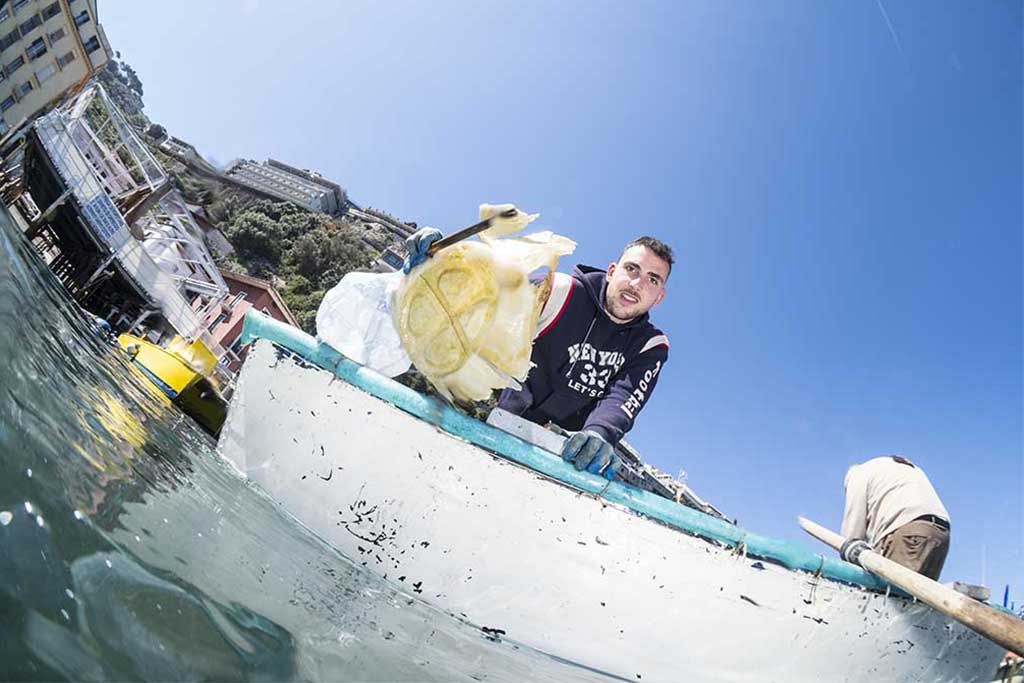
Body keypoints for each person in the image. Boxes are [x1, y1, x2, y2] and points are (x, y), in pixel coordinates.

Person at [405, 229, 672, 480]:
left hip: (563, 453)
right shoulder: (559, 292)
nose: (636, 284)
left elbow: (624, 395)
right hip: (493, 419)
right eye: (631, 268)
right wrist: (437, 262)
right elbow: (485, 294)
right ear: (612, 271)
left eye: (652, 279)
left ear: (659, 297)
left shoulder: (650, 345)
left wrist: (600, 433)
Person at [840, 455, 951, 580]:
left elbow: (853, 531)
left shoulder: (857, 475)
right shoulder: (891, 468)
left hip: (909, 533)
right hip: (941, 534)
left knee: (889, 596)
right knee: (917, 597)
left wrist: (844, 567)